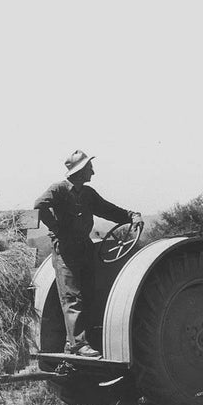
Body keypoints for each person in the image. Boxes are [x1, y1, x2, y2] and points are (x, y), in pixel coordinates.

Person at [34, 150, 142, 358]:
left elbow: (109, 210)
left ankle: (79, 342)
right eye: (89, 168)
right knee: (72, 296)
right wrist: (56, 228)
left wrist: (131, 216)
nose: (93, 171)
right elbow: (39, 206)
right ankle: (78, 345)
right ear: (81, 171)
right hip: (66, 250)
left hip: (84, 247)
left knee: (89, 294)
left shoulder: (88, 194)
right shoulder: (58, 190)